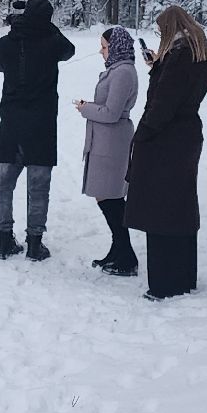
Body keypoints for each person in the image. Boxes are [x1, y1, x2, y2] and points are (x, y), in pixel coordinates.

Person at [126, 6, 207, 300]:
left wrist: (144, 133)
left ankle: (164, 283)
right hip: (186, 136)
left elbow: (164, 102)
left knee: (159, 212)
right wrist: (157, 66)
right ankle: (184, 277)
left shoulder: (179, 57)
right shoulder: (198, 53)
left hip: (166, 141)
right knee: (180, 208)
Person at [0, 0, 76, 261]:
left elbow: (0, 64)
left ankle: (4, 240)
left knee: (4, 184)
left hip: (11, 121)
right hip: (41, 122)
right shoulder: (52, 41)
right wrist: (47, 28)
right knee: (38, 187)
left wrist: (19, 27)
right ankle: (34, 243)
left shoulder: (7, 42)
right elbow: (69, 50)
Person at [75, 26, 140, 276]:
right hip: (105, 140)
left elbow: (112, 113)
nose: (101, 51)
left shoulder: (123, 72)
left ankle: (126, 256)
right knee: (106, 196)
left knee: (109, 196)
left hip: (112, 142)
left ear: (116, 47)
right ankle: (119, 250)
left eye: (104, 46)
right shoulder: (117, 69)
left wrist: (86, 108)